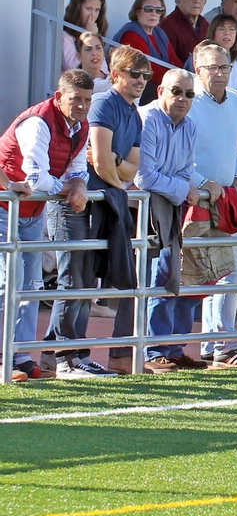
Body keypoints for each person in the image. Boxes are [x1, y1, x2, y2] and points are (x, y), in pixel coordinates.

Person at [48, 45, 146, 376]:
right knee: (73, 279)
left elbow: (133, 167)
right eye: (135, 74)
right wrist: (118, 174)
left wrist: (117, 170)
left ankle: (65, 352)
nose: (141, 80)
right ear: (116, 75)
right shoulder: (104, 104)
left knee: (85, 281)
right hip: (76, 201)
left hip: (99, 201)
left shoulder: (133, 112)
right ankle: (65, 356)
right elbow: (103, 164)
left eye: (146, 75)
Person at [0, 70, 91, 381]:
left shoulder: (82, 127)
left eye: (87, 100)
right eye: (75, 99)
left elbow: (78, 168)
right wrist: (72, 189)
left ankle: (20, 355)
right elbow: (36, 177)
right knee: (7, 281)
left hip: (31, 210)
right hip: (4, 205)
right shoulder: (37, 122)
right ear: (58, 98)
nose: (81, 106)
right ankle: (4, 355)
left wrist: (79, 182)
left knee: (31, 285)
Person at [180, 44, 237, 367]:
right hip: (196, 199)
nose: (220, 74)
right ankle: (213, 343)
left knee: (231, 271)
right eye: (213, 68)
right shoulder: (189, 104)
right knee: (199, 276)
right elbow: (181, 153)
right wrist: (200, 182)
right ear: (198, 69)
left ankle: (220, 343)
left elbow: (235, 149)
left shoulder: (236, 104)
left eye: (225, 68)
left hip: (225, 199)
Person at [135, 68, 205, 372]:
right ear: (161, 90)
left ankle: (172, 347)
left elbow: (184, 169)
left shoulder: (189, 126)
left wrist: (194, 187)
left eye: (189, 94)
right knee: (158, 276)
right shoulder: (146, 118)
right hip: (144, 208)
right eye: (176, 91)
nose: (182, 99)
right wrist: (185, 190)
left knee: (177, 275)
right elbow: (143, 175)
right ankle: (154, 350)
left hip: (172, 205)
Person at [115, 0, 178, 93]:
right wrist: (175, 81)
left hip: (163, 84)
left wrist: (186, 75)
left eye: (159, 10)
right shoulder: (131, 34)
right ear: (138, 12)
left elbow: (174, 61)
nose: (154, 13)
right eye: (148, 9)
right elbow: (149, 69)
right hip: (142, 87)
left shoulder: (159, 33)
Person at [160, 0, 210, 67]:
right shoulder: (167, 25)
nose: (196, 0)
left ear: (205, 1)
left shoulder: (206, 25)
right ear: (178, 0)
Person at [62, 0, 110, 72]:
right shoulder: (66, 36)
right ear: (77, 8)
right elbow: (73, 68)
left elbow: (103, 70)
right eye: (88, 9)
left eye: (97, 10)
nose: (93, 15)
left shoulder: (97, 30)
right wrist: (90, 37)